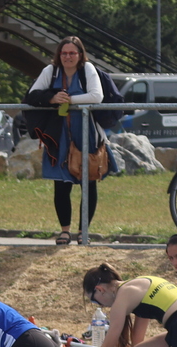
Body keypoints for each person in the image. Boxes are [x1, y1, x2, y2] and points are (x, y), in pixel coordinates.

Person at [23, 37, 120, 245]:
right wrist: (51, 98)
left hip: (87, 134)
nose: (68, 57)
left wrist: (70, 100)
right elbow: (31, 95)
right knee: (61, 184)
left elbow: (97, 96)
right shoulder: (51, 71)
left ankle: (83, 231)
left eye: (72, 53)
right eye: (64, 53)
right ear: (59, 55)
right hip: (58, 136)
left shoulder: (88, 70)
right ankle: (65, 231)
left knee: (89, 182)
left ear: (80, 55)